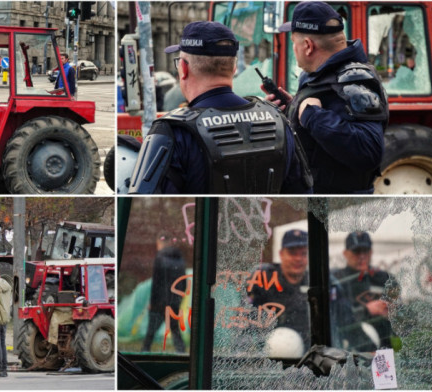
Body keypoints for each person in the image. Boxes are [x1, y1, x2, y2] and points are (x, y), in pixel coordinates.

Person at [128, 21, 312, 194]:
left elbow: (142, 200)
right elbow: (303, 191)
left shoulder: (172, 132)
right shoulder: (277, 119)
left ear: (183, 68)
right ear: (233, 69)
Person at [266, 1, 388, 194]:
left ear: (307, 46)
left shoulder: (354, 79)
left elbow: (369, 151)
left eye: (293, 43)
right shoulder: (322, 75)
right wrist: (293, 107)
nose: (294, 49)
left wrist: (313, 116)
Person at [332, 231, 399, 351]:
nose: (362, 256)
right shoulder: (337, 280)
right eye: (356, 252)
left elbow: (402, 312)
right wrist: (367, 310)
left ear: (371, 252)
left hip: (385, 347)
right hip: (353, 349)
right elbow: (336, 317)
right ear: (345, 253)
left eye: (365, 251)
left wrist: (392, 311)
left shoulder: (385, 278)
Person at [248, 230, 311, 349]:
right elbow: (244, 324)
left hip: (305, 357)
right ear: (281, 254)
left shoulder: (315, 284)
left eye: (303, 254)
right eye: (292, 253)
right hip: (263, 355)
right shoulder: (263, 279)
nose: (298, 259)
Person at [141, 233, 186, 353]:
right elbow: (183, 281)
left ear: (159, 243)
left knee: (151, 330)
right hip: (174, 300)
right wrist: (179, 299)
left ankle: (145, 351)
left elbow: (157, 282)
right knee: (175, 328)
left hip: (160, 301)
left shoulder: (160, 257)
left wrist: (152, 302)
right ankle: (181, 352)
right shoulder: (179, 258)